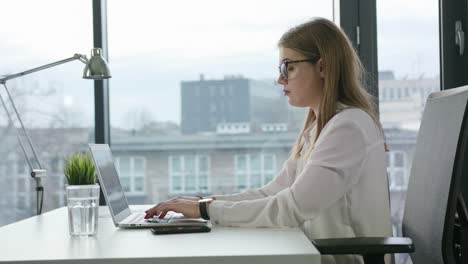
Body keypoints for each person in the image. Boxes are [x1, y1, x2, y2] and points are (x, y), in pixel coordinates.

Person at [145, 17, 392, 264]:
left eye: (289, 67)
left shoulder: (347, 128)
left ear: (323, 67)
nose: (280, 79)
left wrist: (204, 211)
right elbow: (272, 192)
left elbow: (290, 208)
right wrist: (204, 203)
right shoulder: (321, 127)